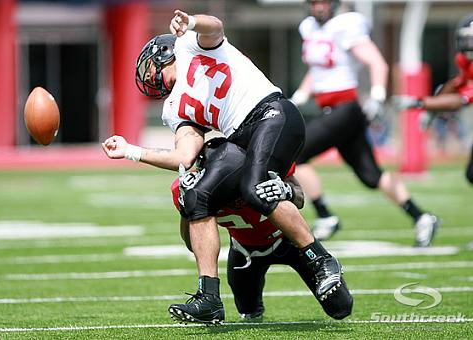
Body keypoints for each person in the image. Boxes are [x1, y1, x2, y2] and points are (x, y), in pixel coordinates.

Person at [102, 9, 344, 325]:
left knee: (254, 188)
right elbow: (185, 157)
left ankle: (321, 260)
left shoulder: (188, 46)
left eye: (150, 68)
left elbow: (215, 26)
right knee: (196, 192)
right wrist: (131, 151)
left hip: (271, 113)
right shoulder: (174, 108)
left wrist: (190, 22)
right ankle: (208, 297)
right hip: (240, 138)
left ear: (164, 54)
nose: (148, 77)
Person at [290, 0, 440, 246]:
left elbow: (376, 62)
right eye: (314, 2)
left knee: (295, 154)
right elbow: (317, 71)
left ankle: (325, 215)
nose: (319, 7)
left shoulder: (345, 25)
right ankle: (421, 216)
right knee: (371, 175)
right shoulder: (309, 28)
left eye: (324, 2)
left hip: (346, 109)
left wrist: (378, 96)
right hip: (333, 111)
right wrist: (300, 96)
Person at [171, 137, 353, 322]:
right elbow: (192, 245)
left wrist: (286, 191)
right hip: (245, 251)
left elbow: (299, 198)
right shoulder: (199, 192)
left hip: (290, 242)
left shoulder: (263, 169)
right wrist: (187, 209)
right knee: (249, 312)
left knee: (341, 307)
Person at [394, 13, 473, 185]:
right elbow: (457, 84)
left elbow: (463, 100)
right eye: (467, 40)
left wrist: (420, 103)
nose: (469, 45)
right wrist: (432, 110)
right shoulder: (465, 61)